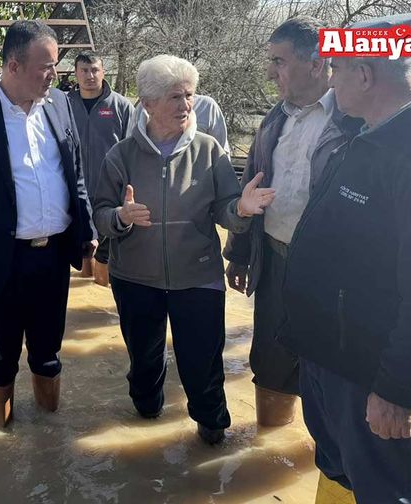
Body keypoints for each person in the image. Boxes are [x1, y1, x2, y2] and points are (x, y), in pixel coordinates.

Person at [279, 13, 411, 504]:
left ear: (364, 74)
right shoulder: (364, 132)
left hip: (371, 377)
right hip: (331, 360)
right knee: (343, 476)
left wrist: (397, 388)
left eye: (336, 67)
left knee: (388, 492)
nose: (329, 77)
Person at [92, 55, 274, 444]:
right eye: (175, 97)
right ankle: (146, 407)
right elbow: (100, 214)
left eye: (189, 95)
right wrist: (121, 217)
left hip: (198, 277)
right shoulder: (121, 155)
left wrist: (241, 209)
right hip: (135, 279)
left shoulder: (209, 151)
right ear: (148, 103)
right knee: (144, 362)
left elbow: (227, 211)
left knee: (203, 362)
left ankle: (212, 426)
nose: (186, 105)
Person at [0, 20, 97, 428]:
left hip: (54, 255)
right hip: (2, 258)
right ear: (13, 66)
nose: (56, 74)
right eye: (46, 65)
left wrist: (87, 233)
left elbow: (74, 173)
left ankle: (49, 435)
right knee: (3, 352)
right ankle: (2, 435)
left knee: (48, 351)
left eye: (56, 64)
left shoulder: (60, 105)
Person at [222, 16, 360, 427]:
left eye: (279, 61)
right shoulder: (272, 120)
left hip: (330, 274)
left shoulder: (352, 123)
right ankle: (271, 455)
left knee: (327, 369)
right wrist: (240, 253)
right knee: (270, 359)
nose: (270, 71)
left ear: (317, 63)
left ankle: (322, 459)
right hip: (275, 261)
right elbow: (252, 188)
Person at [68, 51, 134, 286]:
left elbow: (132, 151)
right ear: (75, 73)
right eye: (84, 70)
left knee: (104, 257)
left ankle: (98, 297)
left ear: (103, 72)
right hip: (74, 194)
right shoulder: (63, 105)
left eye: (95, 69)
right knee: (82, 253)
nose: (89, 75)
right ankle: (85, 299)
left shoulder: (121, 106)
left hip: (109, 193)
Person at [133, 94, 231, 153]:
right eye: (175, 97)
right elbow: (132, 144)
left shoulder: (207, 106)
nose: (184, 106)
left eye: (188, 95)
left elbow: (222, 153)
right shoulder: (144, 108)